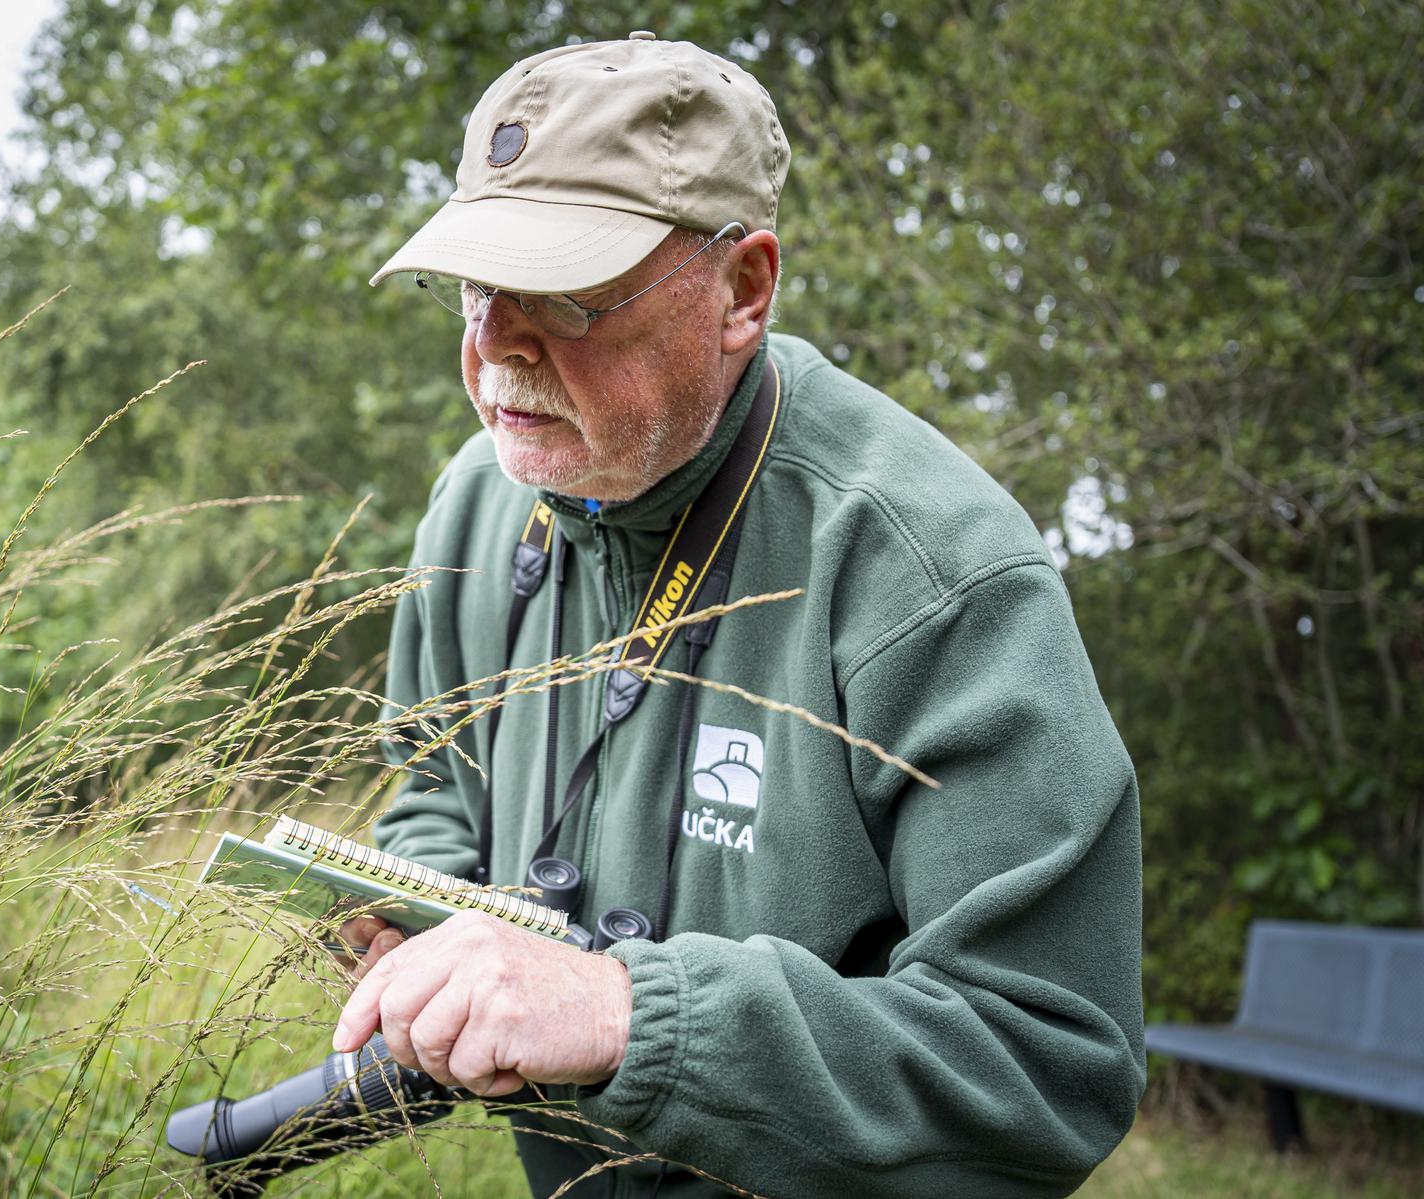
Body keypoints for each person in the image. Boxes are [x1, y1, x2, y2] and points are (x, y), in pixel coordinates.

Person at [330, 31, 1145, 1198]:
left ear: (743, 290)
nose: (496, 343)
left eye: (566, 293)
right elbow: (432, 785)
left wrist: (625, 1013)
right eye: (474, 285)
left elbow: (1044, 1063)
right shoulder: (479, 499)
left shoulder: (933, 572)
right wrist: (424, 928)